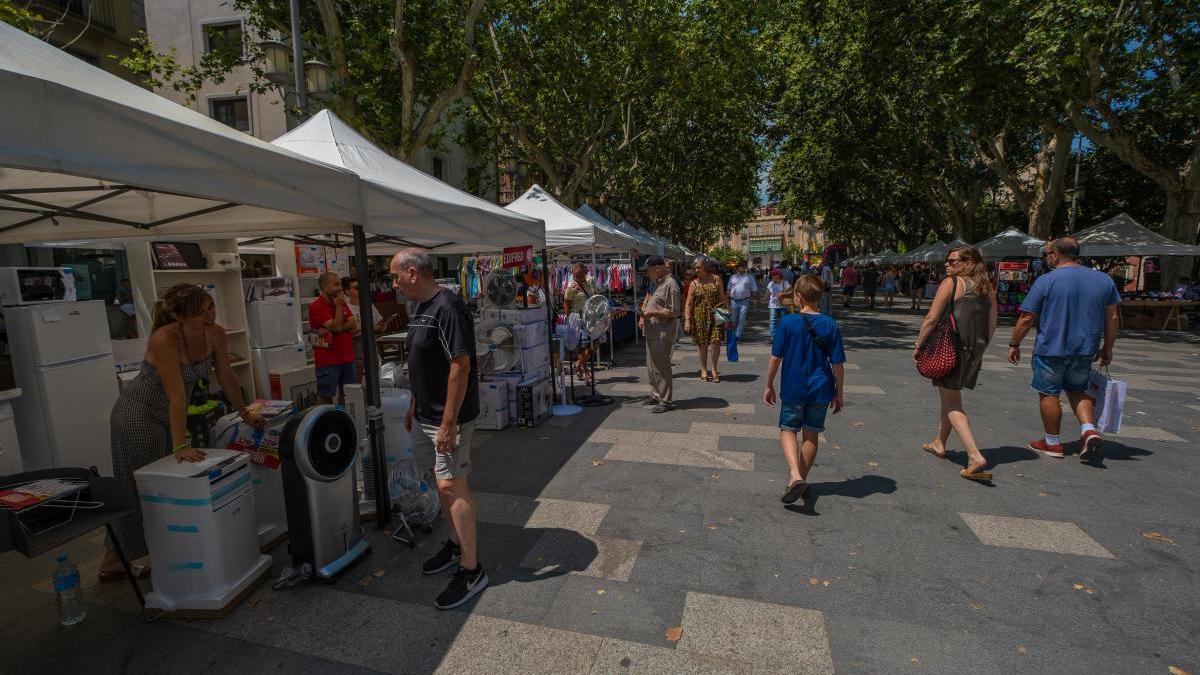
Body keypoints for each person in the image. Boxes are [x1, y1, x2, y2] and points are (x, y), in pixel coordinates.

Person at [101, 283, 264, 580]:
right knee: (139, 485)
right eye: (200, 312)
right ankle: (116, 558)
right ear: (178, 316)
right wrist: (180, 446)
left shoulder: (216, 333)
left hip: (168, 416)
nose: (209, 315)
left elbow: (226, 375)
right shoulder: (164, 339)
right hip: (138, 414)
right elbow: (176, 395)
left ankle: (152, 549)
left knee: (158, 487)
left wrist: (245, 412)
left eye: (211, 307)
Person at [391, 248, 487, 610]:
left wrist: (449, 421)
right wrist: (416, 402)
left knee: (451, 485)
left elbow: (460, 366)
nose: (394, 283)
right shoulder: (420, 308)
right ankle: (453, 544)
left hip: (449, 418)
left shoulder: (448, 307)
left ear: (413, 273)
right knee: (438, 479)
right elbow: (423, 361)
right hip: (426, 414)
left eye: (395, 276)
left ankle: (472, 567)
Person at [1008, 238, 1120, 461]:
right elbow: (1113, 317)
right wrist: (1107, 347)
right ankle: (1088, 430)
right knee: (1078, 390)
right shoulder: (1104, 280)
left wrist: (1014, 343)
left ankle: (1052, 443)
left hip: (1051, 348)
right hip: (1084, 349)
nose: (1046, 257)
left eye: (1047, 253)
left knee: (1049, 393)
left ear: (1056, 255)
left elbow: (1027, 316)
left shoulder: (1046, 280)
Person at [915, 245, 997, 482]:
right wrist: (981, 347)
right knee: (949, 396)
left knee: (952, 404)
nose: (947, 265)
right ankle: (939, 442)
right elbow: (992, 323)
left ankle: (974, 456)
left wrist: (919, 345)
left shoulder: (951, 284)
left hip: (949, 349)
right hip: (974, 350)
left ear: (969, 263)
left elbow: (931, 318)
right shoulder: (987, 288)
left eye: (952, 261)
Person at [763, 276, 846, 504]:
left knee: (788, 429)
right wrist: (839, 393)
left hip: (794, 387)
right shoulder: (830, 324)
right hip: (821, 389)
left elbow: (775, 358)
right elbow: (837, 364)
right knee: (812, 435)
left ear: (798, 297)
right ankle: (799, 479)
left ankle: (795, 475)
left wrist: (768, 384)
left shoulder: (788, 322)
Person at [639, 256, 681, 412]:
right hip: (652, 331)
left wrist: (652, 313)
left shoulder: (671, 284)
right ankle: (656, 395)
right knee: (651, 366)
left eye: (648, 269)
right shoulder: (657, 283)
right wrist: (644, 315)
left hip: (662, 332)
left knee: (661, 367)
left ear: (657, 268)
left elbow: (675, 311)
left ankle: (666, 400)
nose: (647, 273)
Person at [309, 272, 359, 404]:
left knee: (348, 393)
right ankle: (325, 422)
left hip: (347, 357)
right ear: (324, 286)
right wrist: (338, 308)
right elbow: (336, 326)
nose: (340, 288)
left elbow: (353, 324)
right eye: (336, 284)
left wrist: (338, 327)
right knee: (326, 394)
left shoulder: (341, 302)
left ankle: (344, 419)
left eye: (340, 284)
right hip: (328, 360)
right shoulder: (316, 306)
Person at [684, 257, 728, 383]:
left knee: (715, 343)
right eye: (695, 268)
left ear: (706, 267)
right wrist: (687, 320)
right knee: (702, 345)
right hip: (699, 317)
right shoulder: (694, 284)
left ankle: (714, 368)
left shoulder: (716, 279)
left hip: (716, 315)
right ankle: (703, 369)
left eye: (699, 267)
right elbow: (688, 304)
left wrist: (726, 317)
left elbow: (723, 298)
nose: (696, 270)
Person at [342, 276, 386, 383]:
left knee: (374, 380)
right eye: (356, 288)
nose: (360, 290)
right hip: (355, 348)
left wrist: (381, 327)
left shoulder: (369, 306)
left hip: (371, 345)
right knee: (357, 381)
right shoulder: (346, 308)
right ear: (347, 291)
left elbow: (381, 323)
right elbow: (350, 330)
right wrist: (370, 327)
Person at [563, 263, 598, 383]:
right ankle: (587, 372)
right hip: (579, 319)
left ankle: (578, 364)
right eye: (575, 275)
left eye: (579, 275)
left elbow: (595, 296)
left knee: (596, 345)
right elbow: (566, 305)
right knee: (583, 346)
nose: (576, 278)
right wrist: (570, 322)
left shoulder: (591, 282)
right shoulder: (571, 287)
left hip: (591, 318)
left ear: (585, 273)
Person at [727, 261, 758, 346]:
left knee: (742, 319)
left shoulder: (750, 277)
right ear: (738, 268)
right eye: (740, 266)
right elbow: (728, 289)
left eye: (743, 266)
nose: (742, 268)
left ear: (745, 267)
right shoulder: (732, 277)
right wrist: (726, 300)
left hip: (745, 301)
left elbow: (754, 290)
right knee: (733, 319)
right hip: (733, 301)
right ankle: (732, 334)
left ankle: (737, 336)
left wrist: (756, 300)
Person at [766, 268, 792, 342]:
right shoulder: (770, 283)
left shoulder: (785, 283)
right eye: (772, 274)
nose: (773, 276)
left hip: (782, 305)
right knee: (772, 321)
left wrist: (783, 294)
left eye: (774, 274)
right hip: (772, 305)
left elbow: (791, 291)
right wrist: (762, 300)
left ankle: (783, 336)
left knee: (783, 321)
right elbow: (767, 293)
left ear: (779, 275)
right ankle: (773, 337)